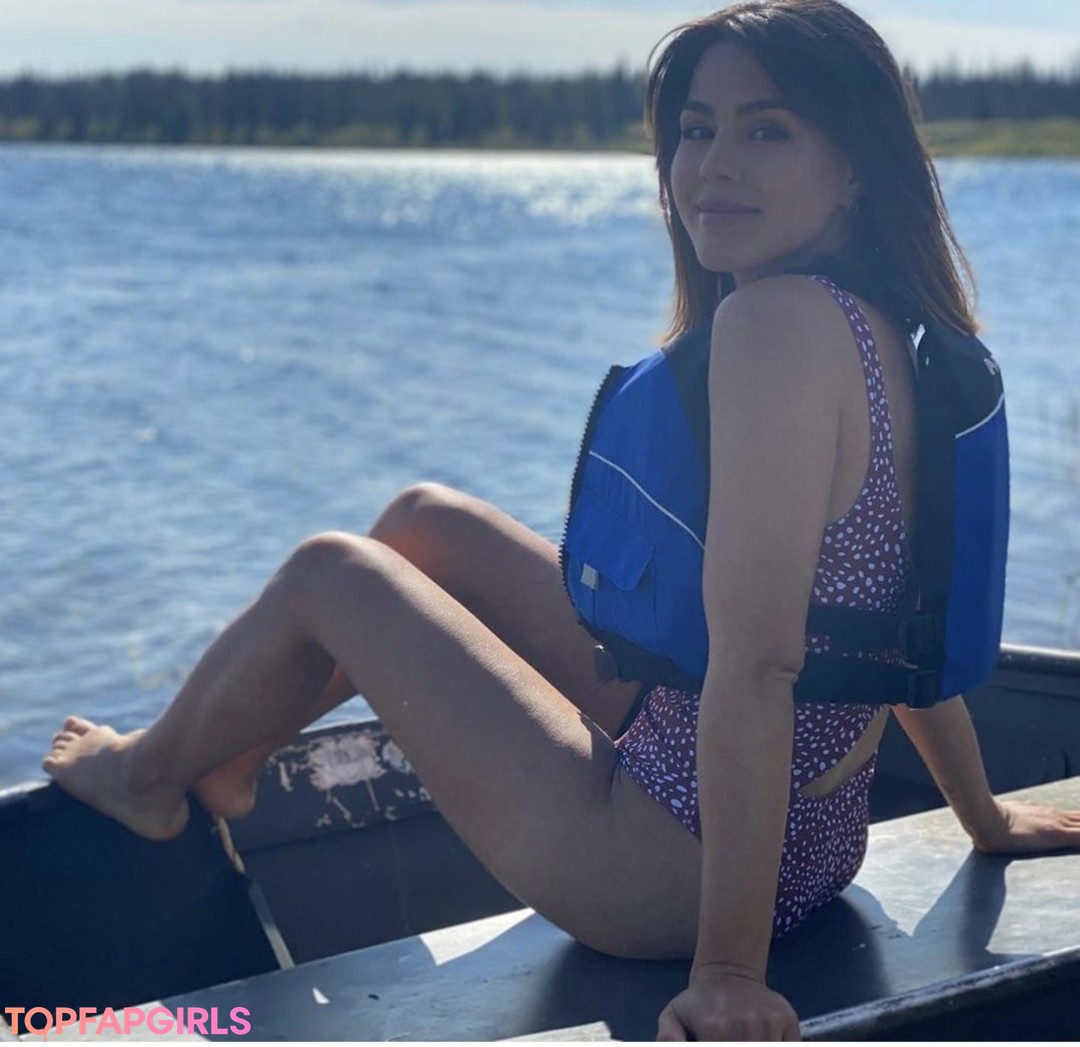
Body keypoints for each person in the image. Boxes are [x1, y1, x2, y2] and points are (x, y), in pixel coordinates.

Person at [43, 0, 1080, 1039]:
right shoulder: (895, 325)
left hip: (669, 869)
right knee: (425, 524)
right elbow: (896, 626)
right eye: (697, 129)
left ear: (853, 166)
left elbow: (761, 662)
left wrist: (728, 971)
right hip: (811, 843)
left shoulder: (775, 325)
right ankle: (228, 760)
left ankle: (144, 778)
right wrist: (982, 816)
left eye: (767, 130)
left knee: (332, 572)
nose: (714, 165)